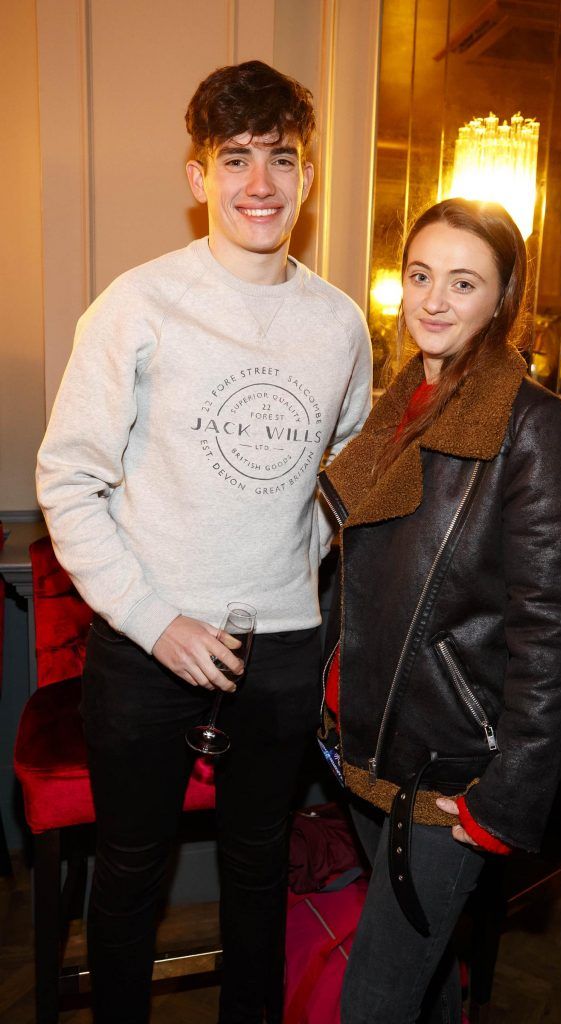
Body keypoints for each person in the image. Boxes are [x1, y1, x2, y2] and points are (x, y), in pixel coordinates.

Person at [36, 60, 372, 1024]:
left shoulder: (342, 322)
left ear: (309, 176)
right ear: (198, 176)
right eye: (235, 158)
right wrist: (156, 620)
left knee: (259, 872)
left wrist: (292, 569)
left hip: (282, 649)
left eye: (282, 158)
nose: (258, 183)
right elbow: (67, 478)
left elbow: (341, 474)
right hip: (145, 648)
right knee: (132, 874)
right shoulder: (136, 306)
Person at [318, 198, 561, 1024]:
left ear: (502, 298)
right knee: (426, 986)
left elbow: (555, 629)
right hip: (366, 752)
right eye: (419, 275)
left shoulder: (533, 427)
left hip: (447, 781)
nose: (432, 301)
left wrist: (502, 796)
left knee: (372, 1005)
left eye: (463, 282)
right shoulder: (397, 405)